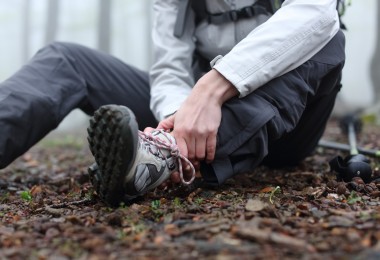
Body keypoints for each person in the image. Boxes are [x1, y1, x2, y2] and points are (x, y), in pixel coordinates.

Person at [0, 0, 345, 206]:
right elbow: (169, 65)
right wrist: (177, 114)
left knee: (330, 38)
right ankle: (162, 149)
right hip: (196, 115)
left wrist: (214, 86)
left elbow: (317, 13)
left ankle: (161, 157)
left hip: (291, 126)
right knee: (66, 59)